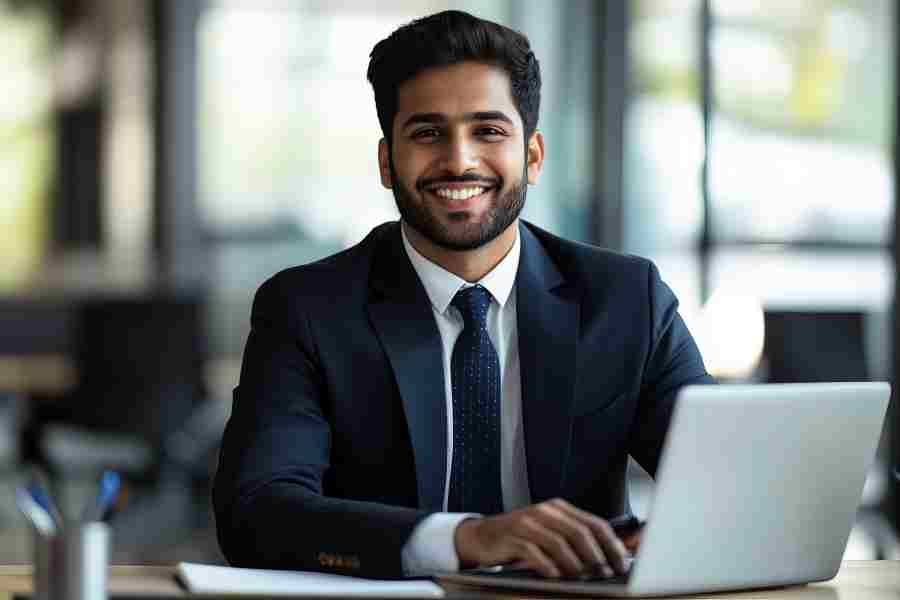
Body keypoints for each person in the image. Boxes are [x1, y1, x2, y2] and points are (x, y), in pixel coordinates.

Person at [213, 9, 714, 581]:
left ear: (532, 154)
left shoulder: (626, 301)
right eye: (427, 133)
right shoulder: (307, 309)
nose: (458, 159)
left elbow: (721, 485)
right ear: (386, 161)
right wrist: (466, 539)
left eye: (489, 131)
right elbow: (255, 511)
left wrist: (669, 535)